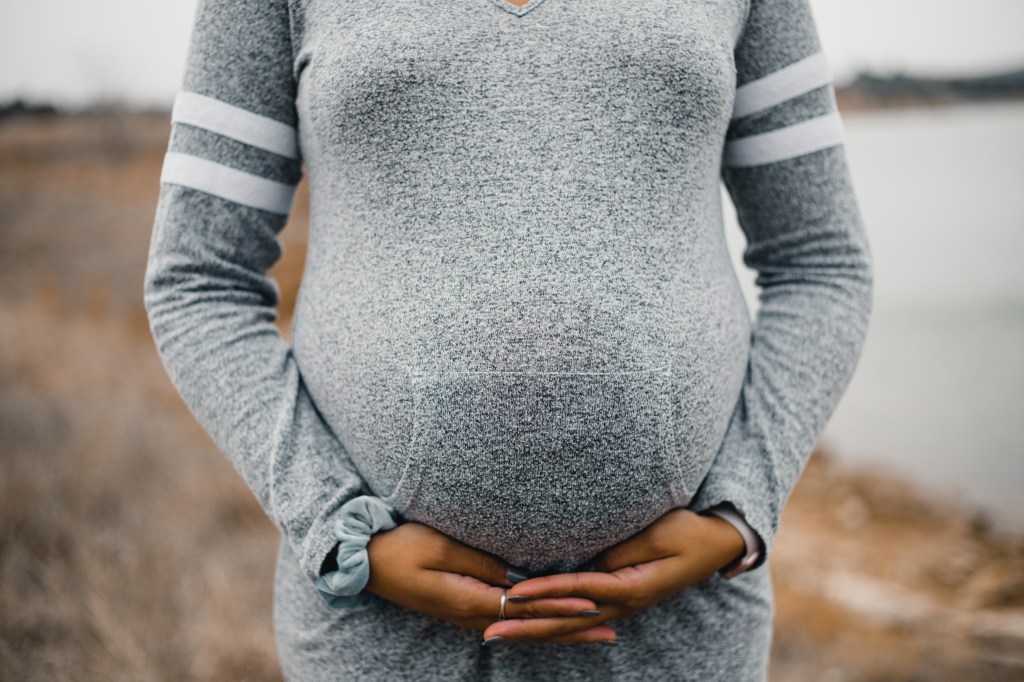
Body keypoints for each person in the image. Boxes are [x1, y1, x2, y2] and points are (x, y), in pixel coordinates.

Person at [143, 0, 873, 679]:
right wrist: (335, 526)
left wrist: (739, 511)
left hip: (680, 636)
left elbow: (821, 264)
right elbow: (201, 279)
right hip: (380, 640)